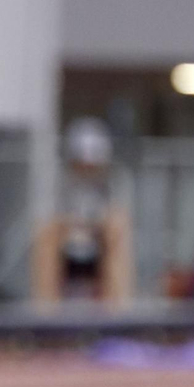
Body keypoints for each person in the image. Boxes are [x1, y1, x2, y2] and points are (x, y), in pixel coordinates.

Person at [32, 117, 133, 305]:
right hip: (68, 247)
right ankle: (46, 310)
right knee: (46, 236)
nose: (87, 170)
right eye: (82, 164)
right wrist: (71, 226)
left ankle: (116, 307)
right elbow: (51, 219)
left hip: (98, 247)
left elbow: (115, 218)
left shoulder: (113, 183)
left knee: (117, 230)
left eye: (93, 165)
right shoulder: (59, 183)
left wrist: (96, 227)